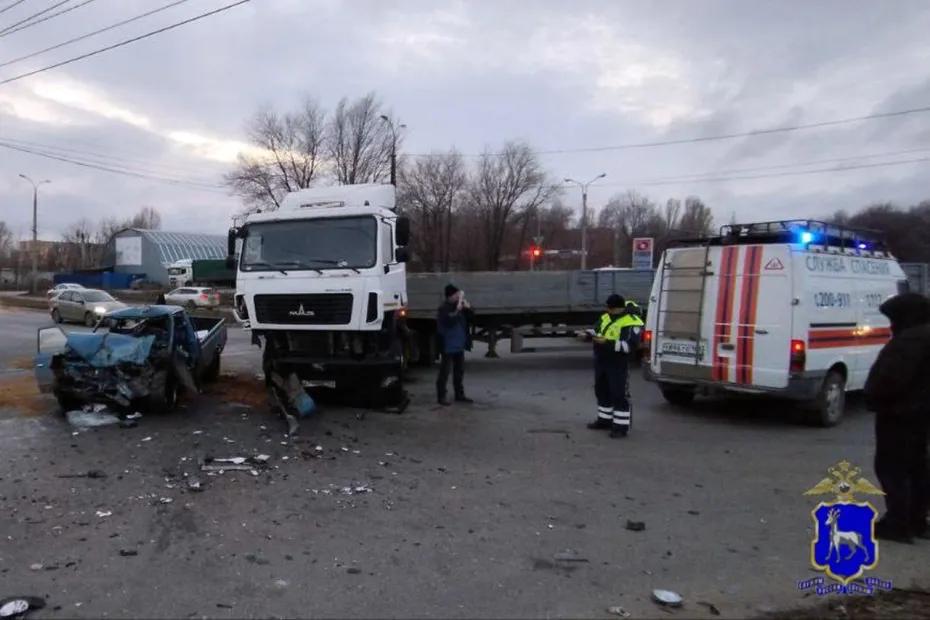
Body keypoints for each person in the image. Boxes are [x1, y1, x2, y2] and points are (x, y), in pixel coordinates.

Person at [864, 292, 930, 542]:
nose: (891, 324)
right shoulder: (922, 335)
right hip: (919, 414)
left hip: (900, 413)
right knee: (917, 467)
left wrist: (873, 396)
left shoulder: (910, 341)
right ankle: (917, 520)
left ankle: (898, 523)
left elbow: (890, 379)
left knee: (894, 468)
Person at [588, 294, 644, 437]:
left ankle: (620, 427)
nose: (607, 310)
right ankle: (604, 420)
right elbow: (597, 330)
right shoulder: (605, 317)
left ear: (617, 308)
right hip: (601, 360)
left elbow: (630, 346)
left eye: (610, 307)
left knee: (618, 394)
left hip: (617, 362)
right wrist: (589, 335)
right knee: (601, 391)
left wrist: (606, 343)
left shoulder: (631, 322)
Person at [436, 283, 474, 406]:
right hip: (448, 344)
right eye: (456, 295)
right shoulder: (444, 308)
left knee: (459, 371)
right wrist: (457, 309)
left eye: (459, 295)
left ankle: (459, 394)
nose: (458, 297)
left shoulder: (459, 306)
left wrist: (468, 308)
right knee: (445, 371)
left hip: (459, 344)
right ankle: (441, 396)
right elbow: (449, 321)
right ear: (450, 296)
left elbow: (471, 318)